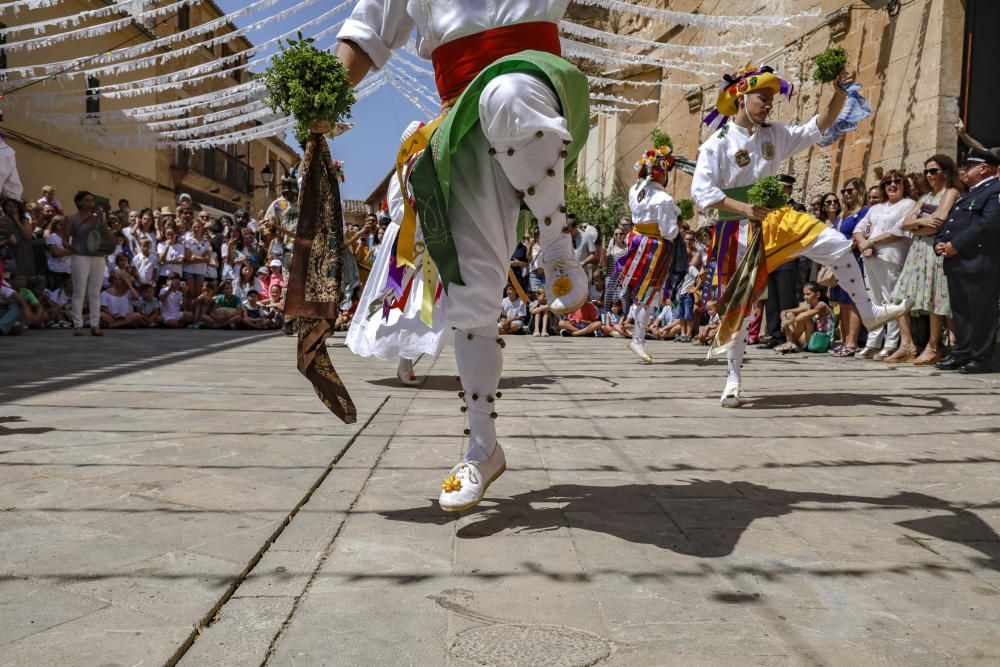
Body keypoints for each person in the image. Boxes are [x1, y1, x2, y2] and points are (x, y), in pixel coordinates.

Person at [335, 1, 591, 511]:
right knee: (472, 299)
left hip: (535, 82)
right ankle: (483, 448)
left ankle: (556, 245)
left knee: (507, 90)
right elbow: (368, 30)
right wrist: (323, 98)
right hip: (459, 119)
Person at [691, 62, 908, 407]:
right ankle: (733, 379)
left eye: (771, 99)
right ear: (742, 98)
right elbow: (701, 194)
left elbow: (817, 127)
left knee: (839, 245)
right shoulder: (715, 145)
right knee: (741, 308)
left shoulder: (773, 134)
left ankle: (870, 312)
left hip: (779, 217)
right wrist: (744, 208)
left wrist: (838, 94)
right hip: (736, 227)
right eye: (763, 98)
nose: (768, 104)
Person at [934, 148, 1000, 374]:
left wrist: (956, 245)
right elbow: (951, 222)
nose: (963, 170)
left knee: (981, 312)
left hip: (979, 262)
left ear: (983, 168)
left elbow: (989, 224)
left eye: (968, 166)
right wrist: (940, 243)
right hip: (957, 262)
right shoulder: (969, 193)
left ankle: (980, 358)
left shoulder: (995, 190)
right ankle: (962, 353)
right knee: (961, 312)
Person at [892, 155, 962, 366]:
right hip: (917, 251)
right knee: (899, 297)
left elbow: (938, 223)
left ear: (945, 171)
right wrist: (921, 221)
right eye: (926, 172)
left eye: (933, 170)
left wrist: (917, 225)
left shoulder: (950, 192)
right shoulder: (925, 198)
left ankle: (933, 347)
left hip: (933, 250)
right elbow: (903, 224)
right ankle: (907, 344)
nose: (929, 175)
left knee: (933, 298)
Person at [617, 142, 681, 363]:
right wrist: (677, 222)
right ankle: (638, 339)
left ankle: (635, 333)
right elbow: (669, 232)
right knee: (649, 294)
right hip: (653, 248)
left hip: (636, 243)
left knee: (641, 293)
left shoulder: (636, 191)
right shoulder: (664, 199)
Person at [852, 170, 915, 360]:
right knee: (874, 301)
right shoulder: (875, 208)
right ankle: (873, 342)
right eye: (888, 182)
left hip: (892, 256)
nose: (892, 185)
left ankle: (891, 343)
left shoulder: (908, 204)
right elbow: (859, 228)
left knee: (892, 301)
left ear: (904, 185)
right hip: (870, 257)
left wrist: (870, 242)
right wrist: (863, 243)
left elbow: (898, 230)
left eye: (897, 181)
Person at [825, 177, 869, 357]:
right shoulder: (843, 214)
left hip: (855, 259)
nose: (846, 194)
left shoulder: (865, 211)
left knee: (852, 303)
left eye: (850, 191)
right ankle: (845, 340)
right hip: (840, 261)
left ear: (859, 191)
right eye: (844, 191)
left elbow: (862, 233)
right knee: (842, 302)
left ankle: (852, 342)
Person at [762, 175, 806, 349]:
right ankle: (775, 336)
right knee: (771, 299)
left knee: (786, 299)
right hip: (770, 259)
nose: (779, 192)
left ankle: (789, 337)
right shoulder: (769, 209)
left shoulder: (797, 208)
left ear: (789, 189)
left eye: (783, 188)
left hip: (786, 259)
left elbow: (796, 230)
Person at [67, 191, 111, 336]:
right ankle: (77, 325)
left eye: (92, 201)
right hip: (80, 256)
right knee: (79, 291)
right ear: (79, 202)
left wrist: (101, 219)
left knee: (95, 292)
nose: (91, 203)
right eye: (87, 200)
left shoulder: (97, 218)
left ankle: (95, 325)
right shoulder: (71, 218)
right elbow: (63, 238)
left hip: (98, 256)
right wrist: (70, 247)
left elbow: (104, 235)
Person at [775, 282, 834, 353]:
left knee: (806, 318)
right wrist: (784, 321)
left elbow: (805, 316)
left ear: (818, 294)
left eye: (808, 294)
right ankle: (790, 343)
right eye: (804, 294)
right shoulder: (809, 306)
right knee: (789, 314)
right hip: (810, 339)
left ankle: (790, 343)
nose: (804, 297)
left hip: (820, 340)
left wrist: (788, 322)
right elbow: (784, 312)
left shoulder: (822, 306)